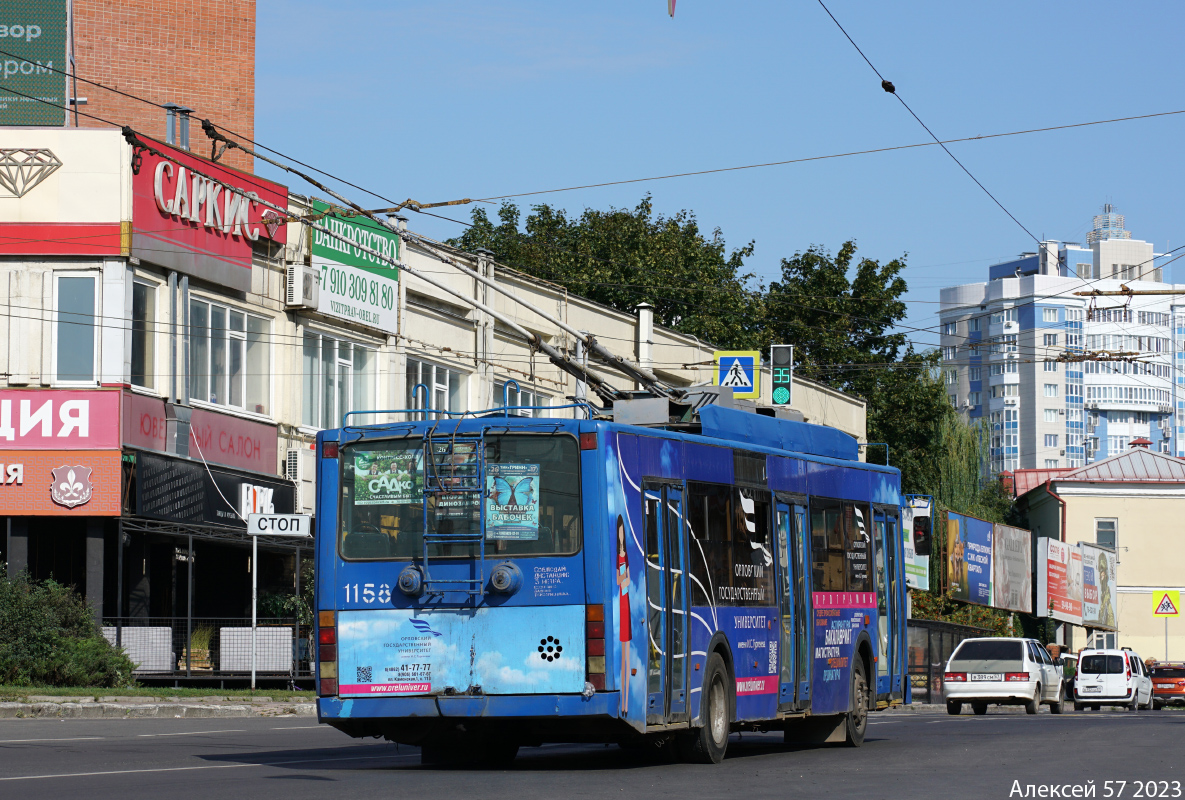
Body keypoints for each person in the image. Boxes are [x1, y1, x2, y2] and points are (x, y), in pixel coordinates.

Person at [616, 515, 631, 717]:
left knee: (627, 657)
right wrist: (624, 580)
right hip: (620, 604)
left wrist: (625, 579)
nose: (620, 536)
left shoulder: (625, 555)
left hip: (626, 604)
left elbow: (628, 577)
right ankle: (623, 703)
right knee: (622, 659)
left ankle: (627, 704)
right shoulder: (616, 556)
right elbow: (620, 579)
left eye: (622, 533)